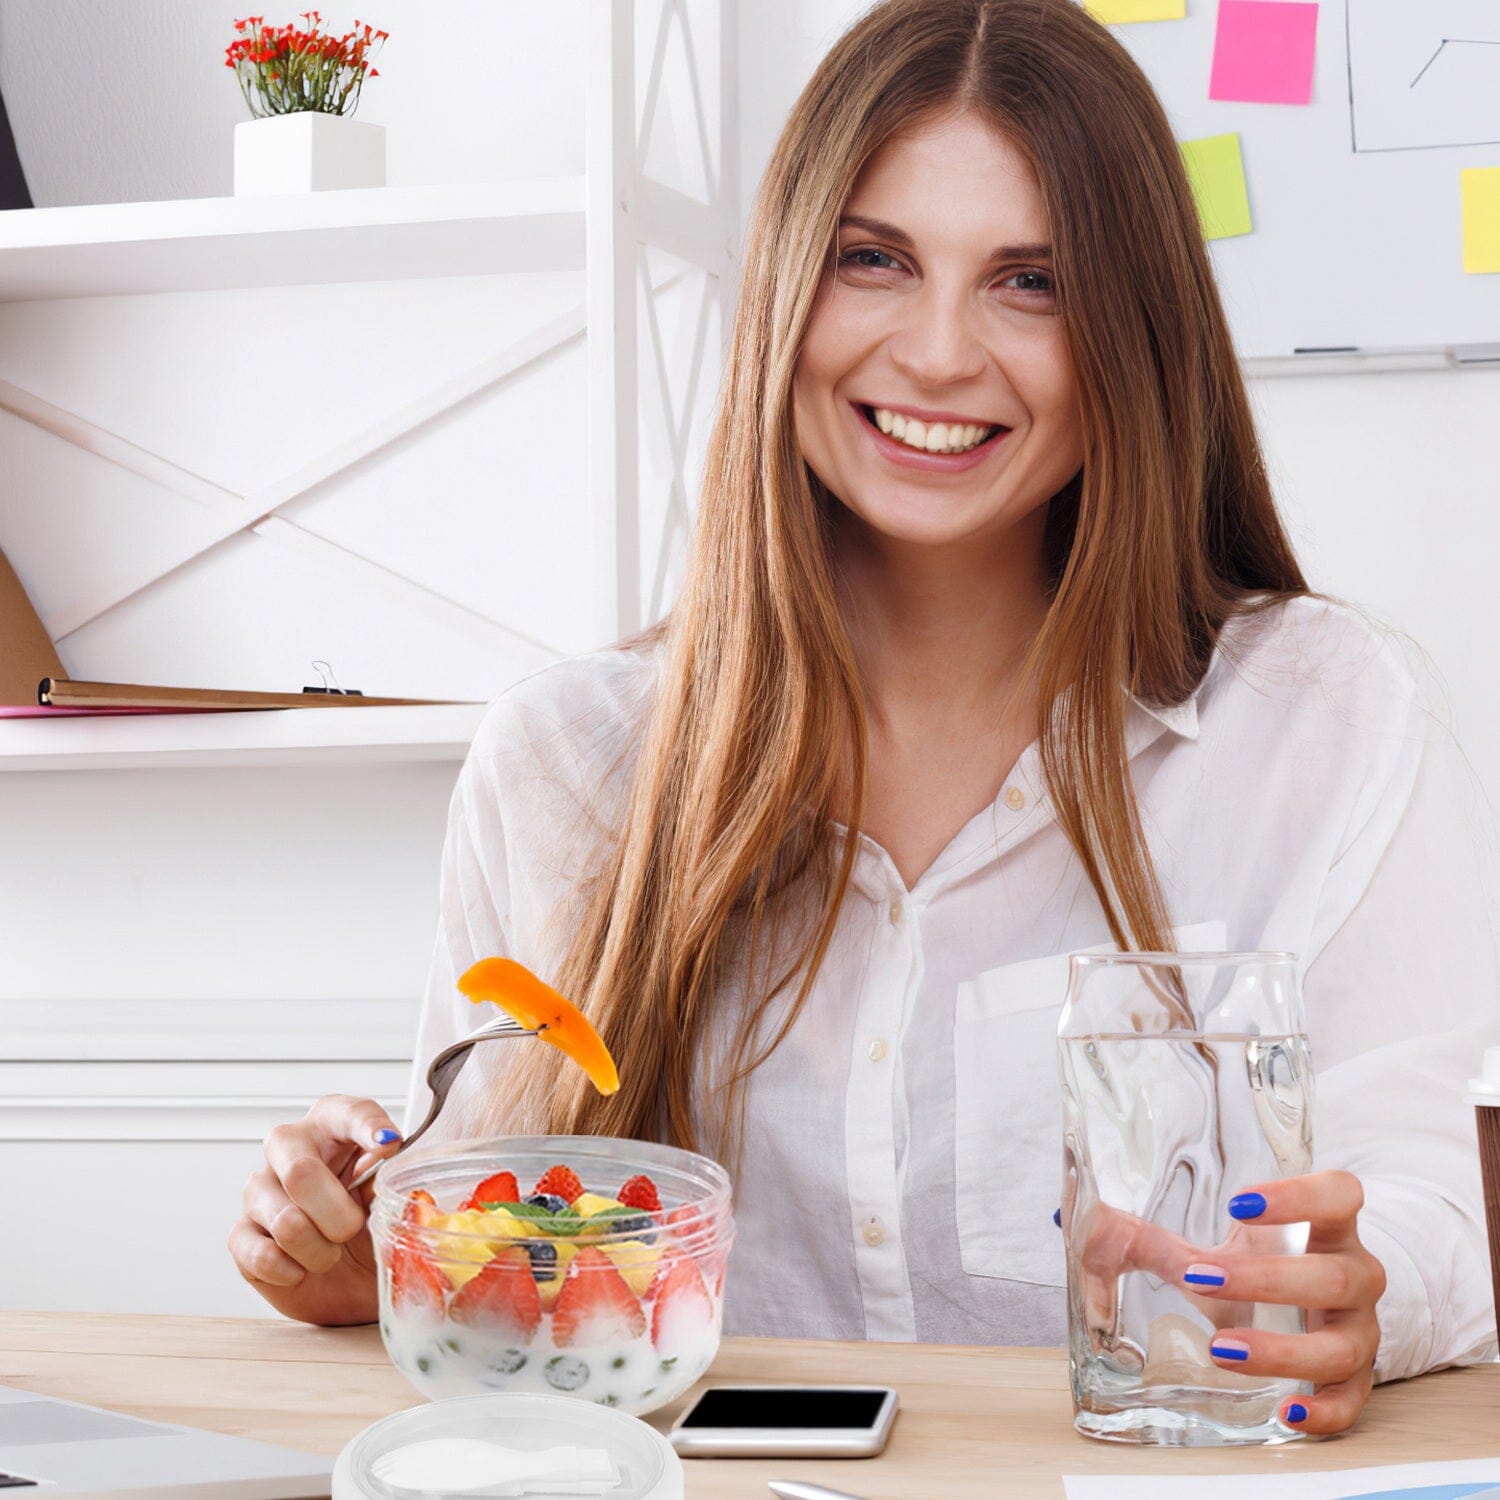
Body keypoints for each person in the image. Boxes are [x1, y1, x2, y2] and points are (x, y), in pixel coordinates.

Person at [228, 0, 1500, 1434]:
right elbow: (488, 1242)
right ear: (784, 287)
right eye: (874, 261)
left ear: (1135, 335)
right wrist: (366, 1251)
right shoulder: (565, 762)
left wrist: (1358, 1283)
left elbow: (1427, 1210)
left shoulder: (1323, 719)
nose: (942, 353)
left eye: (1031, 281)